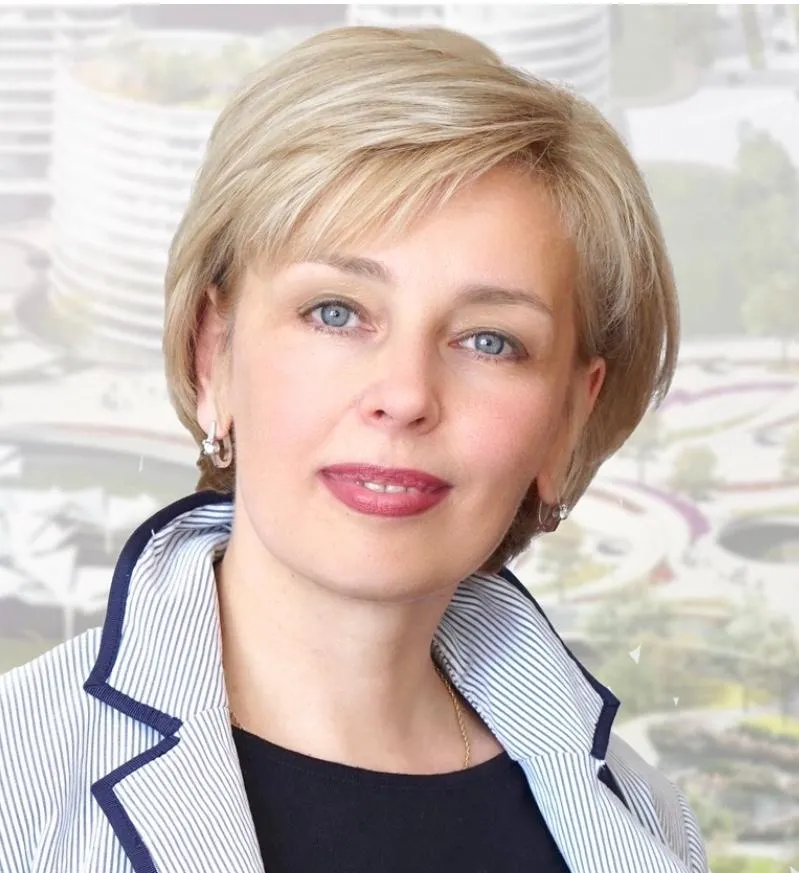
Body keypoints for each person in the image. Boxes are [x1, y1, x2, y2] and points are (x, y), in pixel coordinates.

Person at [0, 24, 708, 873]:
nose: (404, 395)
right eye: (335, 312)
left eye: (489, 340)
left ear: (566, 421)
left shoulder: (650, 822)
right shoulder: (18, 785)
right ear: (211, 356)